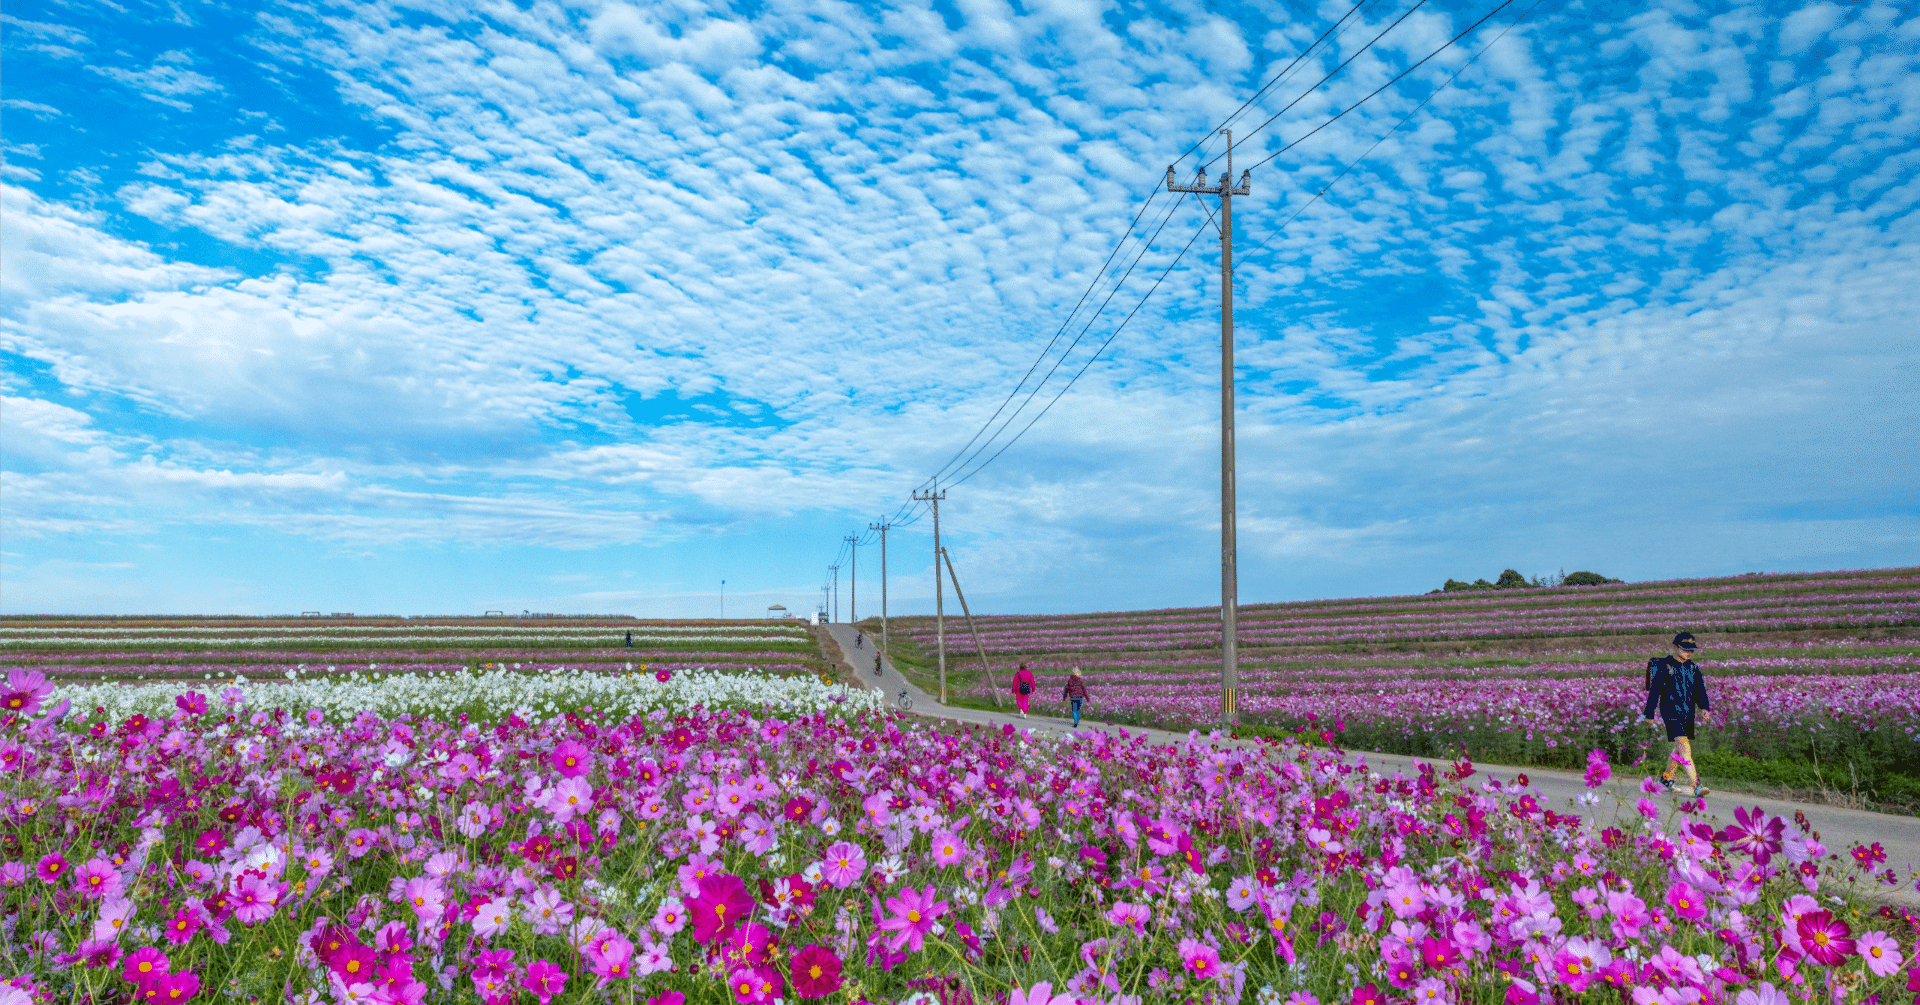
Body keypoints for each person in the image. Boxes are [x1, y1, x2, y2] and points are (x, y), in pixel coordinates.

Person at [1644, 631, 1713, 797]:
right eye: (1685, 649)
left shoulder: (1694, 668)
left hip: (1687, 713)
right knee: (1684, 747)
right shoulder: (1665, 666)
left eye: (1692, 650)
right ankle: (1697, 784)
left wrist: (1704, 707)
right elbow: (1655, 691)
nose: (1689, 652)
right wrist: (1649, 713)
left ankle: (1666, 778)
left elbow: (1700, 690)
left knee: (1678, 748)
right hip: (1670, 712)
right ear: (1675, 647)